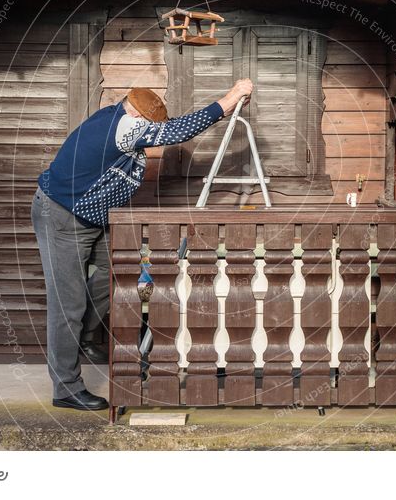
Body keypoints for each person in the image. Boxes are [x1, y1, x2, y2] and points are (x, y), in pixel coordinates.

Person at [31, 79, 254, 411]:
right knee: (68, 303)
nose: (152, 136)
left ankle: (87, 334)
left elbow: (161, 135)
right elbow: (178, 132)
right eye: (151, 127)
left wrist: (224, 111)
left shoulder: (123, 118)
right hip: (63, 216)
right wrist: (229, 99)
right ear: (137, 116)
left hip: (96, 215)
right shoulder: (125, 126)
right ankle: (66, 388)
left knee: (119, 273)